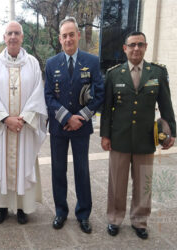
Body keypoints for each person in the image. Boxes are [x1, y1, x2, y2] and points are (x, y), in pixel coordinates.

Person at [100, 31, 176, 239]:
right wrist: (105, 135)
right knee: (117, 183)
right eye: (132, 45)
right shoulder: (114, 74)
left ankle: (140, 221)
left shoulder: (157, 73)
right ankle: (115, 218)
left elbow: (166, 106)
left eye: (140, 45)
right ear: (125, 48)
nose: (136, 49)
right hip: (119, 138)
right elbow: (107, 109)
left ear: (146, 47)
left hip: (145, 139)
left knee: (144, 183)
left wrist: (172, 132)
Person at [0, 21, 47, 225]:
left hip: (24, 128)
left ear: (22, 37)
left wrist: (24, 118)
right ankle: (1, 207)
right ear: (4, 37)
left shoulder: (33, 64)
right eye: (9, 33)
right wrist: (5, 119)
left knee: (23, 164)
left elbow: (37, 94)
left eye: (17, 33)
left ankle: (21, 208)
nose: (13, 37)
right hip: (2, 127)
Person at [44, 17, 104, 233]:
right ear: (60, 39)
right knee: (58, 170)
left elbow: (99, 94)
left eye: (72, 34)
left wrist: (81, 117)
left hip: (81, 127)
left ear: (78, 35)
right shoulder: (51, 64)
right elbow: (48, 95)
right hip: (59, 128)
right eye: (64, 35)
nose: (68, 39)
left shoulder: (92, 61)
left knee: (82, 170)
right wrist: (66, 117)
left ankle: (83, 214)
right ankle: (61, 211)